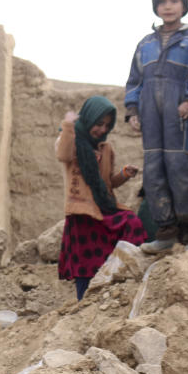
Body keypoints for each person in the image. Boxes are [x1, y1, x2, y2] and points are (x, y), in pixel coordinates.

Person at [125, 0, 188, 254]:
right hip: (153, 124)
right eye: (163, 1)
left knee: (183, 172)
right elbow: (134, 82)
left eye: (174, 1)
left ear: (184, 5)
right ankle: (165, 232)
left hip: (182, 122)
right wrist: (132, 111)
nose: (168, 7)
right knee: (155, 173)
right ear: (156, 7)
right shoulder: (145, 44)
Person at [56, 96, 146, 301]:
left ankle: (114, 285)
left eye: (107, 125)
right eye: (99, 124)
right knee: (85, 266)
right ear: (88, 119)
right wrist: (68, 124)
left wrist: (124, 174)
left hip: (104, 209)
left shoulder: (106, 148)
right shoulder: (72, 142)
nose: (102, 129)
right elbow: (63, 155)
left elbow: (106, 184)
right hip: (82, 214)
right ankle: (83, 305)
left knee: (132, 223)